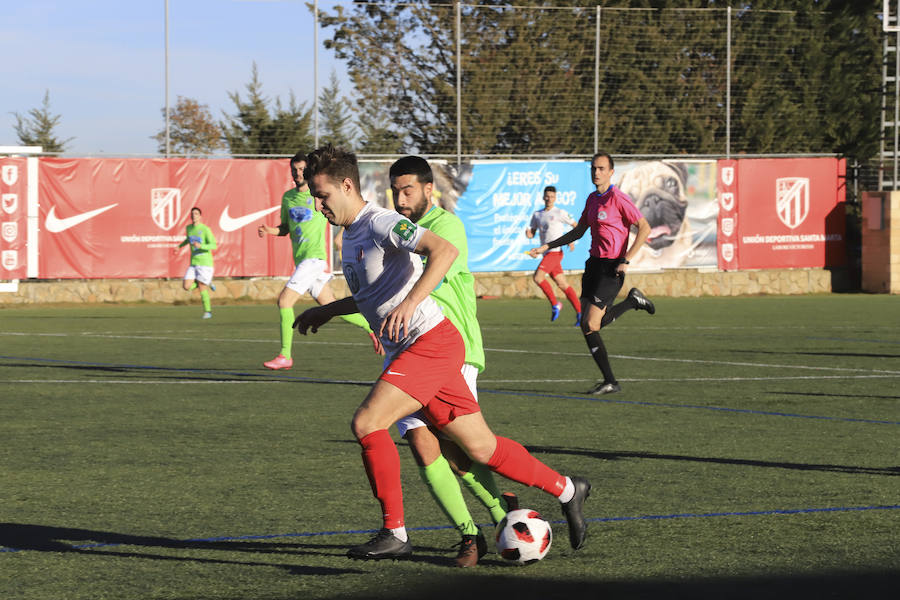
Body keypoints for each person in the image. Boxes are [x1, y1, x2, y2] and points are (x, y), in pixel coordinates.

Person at [295, 144, 591, 562]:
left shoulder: (381, 222)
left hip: (429, 344)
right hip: (427, 347)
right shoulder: (352, 235)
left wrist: (411, 303)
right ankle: (567, 488)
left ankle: (395, 532)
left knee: (368, 423)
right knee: (480, 449)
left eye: (322, 195)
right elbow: (372, 297)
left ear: (346, 185)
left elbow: (443, 251)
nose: (318, 203)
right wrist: (326, 310)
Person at [389, 155, 512, 567]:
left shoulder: (445, 228)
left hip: (453, 349)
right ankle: (469, 535)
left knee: (462, 454)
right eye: (395, 191)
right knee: (422, 444)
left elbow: (430, 282)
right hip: (413, 350)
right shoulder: (399, 236)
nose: (400, 199)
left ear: (428, 189)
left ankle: (503, 516)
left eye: (408, 190)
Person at [528, 152, 656, 395]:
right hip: (593, 266)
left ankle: (611, 380)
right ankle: (631, 303)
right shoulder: (592, 199)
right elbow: (577, 232)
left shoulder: (618, 198)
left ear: (611, 172)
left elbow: (645, 227)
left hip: (611, 268)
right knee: (589, 325)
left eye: (601, 168)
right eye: (593, 169)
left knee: (590, 322)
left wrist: (626, 259)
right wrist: (546, 246)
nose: (596, 173)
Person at [257, 151, 381, 370]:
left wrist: (343, 233)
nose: (297, 173)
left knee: (284, 302)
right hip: (303, 260)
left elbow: (342, 211)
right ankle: (372, 329)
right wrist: (270, 230)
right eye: (293, 170)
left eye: (301, 169)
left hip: (314, 259)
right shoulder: (288, 198)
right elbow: (285, 228)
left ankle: (285, 355)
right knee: (331, 307)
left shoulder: (319, 196)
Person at [525, 185, 582, 325]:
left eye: (552, 196)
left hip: (556, 252)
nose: (549, 199)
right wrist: (528, 234)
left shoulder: (560, 212)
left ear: (555, 198)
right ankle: (580, 313)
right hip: (546, 253)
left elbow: (577, 226)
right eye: (547, 196)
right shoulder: (537, 215)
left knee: (538, 277)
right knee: (562, 284)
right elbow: (532, 232)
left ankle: (555, 304)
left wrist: (571, 240)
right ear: (543, 197)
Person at [174, 206, 217, 319]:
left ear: (200, 216)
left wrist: (201, 245)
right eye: (192, 214)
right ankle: (207, 282)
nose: (194, 215)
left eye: (196, 213)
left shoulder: (205, 229)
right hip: (193, 262)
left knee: (202, 287)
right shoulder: (189, 228)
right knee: (186, 286)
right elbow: (188, 239)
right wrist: (179, 246)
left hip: (205, 263)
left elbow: (214, 245)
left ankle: (208, 311)